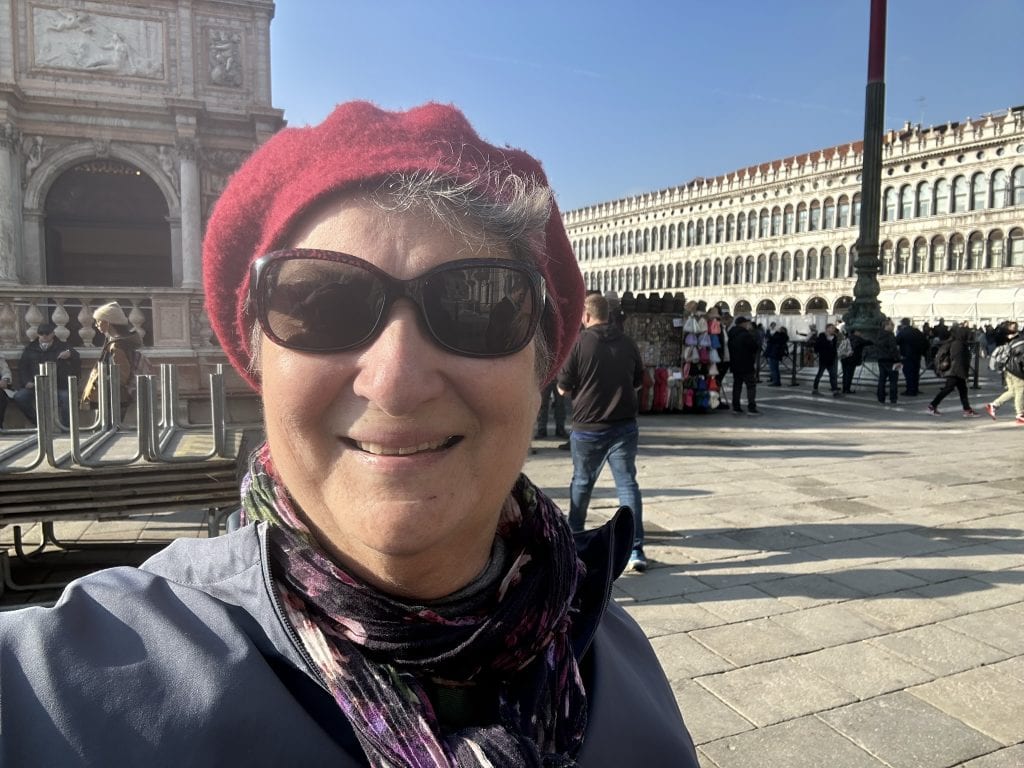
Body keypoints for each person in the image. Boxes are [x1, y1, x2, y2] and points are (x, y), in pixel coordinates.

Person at [0, 101, 697, 766]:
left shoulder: (618, 655)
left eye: (476, 306)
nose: (395, 380)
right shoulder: (66, 684)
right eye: (321, 304)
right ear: (258, 362)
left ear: (543, 364)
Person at [558, 293, 646, 573]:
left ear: (586, 316)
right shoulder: (628, 342)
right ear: (608, 314)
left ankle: (573, 539)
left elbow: (563, 387)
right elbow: (638, 382)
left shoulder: (580, 343)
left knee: (582, 483)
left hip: (588, 428)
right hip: (623, 425)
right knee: (627, 485)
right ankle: (635, 548)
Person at [11, 321, 81, 426]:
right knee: (20, 397)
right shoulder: (30, 348)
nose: (44, 336)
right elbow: (23, 367)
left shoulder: (62, 346)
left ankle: (66, 427)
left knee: (67, 398)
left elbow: (76, 357)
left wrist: (70, 354)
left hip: (58, 386)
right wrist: (26, 382)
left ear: (52, 334)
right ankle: (39, 423)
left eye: (47, 333)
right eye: (41, 333)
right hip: (35, 386)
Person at [81, 302, 143, 410]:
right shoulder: (115, 341)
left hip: (112, 399)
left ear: (108, 323)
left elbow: (120, 376)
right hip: (112, 398)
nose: (96, 325)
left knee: (109, 426)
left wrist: (101, 381)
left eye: (98, 321)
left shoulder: (117, 345)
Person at [927, 324, 979, 417]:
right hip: (955, 372)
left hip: (955, 371)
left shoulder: (955, 342)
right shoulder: (959, 344)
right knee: (949, 389)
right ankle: (932, 405)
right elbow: (959, 361)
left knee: (962, 390)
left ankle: (967, 409)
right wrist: (964, 375)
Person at [984, 321, 1024, 425]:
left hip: (1007, 368)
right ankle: (1020, 415)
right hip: (1016, 369)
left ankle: (993, 405)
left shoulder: (1005, 338)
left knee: (1012, 391)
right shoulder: (1020, 340)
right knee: (1020, 390)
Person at [727, 315, 759, 415]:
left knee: (737, 385)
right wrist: (751, 333)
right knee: (751, 386)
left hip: (735, 364)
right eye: (746, 323)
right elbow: (755, 347)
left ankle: (736, 407)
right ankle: (751, 407)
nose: (747, 324)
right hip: (747, 364)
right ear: (743, 324)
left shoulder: (731, 334)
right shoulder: (746, 335)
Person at [871, 319, 903, 406]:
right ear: (886, 326)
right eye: (891, 325)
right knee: (893, 380)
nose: (893, 327)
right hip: (891, 360)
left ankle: (881, 398)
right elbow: (893, 349)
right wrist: (898, 359)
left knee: (882, 379)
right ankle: (893, 398)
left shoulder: (879, 335)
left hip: (881, 359)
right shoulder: (890, 335)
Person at [896, 317, 928, 396]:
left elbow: (896, 341)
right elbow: (925, 342)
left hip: (907, 356)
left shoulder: (902, 332)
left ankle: (910, 390)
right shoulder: (916, 331)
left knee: (908, 373)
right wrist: (921, 351)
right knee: (915, 373)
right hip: (917, 355)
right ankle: (915, 389)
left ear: (902, 324)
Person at [840, 328, 873, 394]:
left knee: (845, 374)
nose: (860, 333)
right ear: (856, 332)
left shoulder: (846, 338)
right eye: (859, 332)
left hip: (844, 358)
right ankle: (847, 389)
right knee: (849, 375)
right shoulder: (858, 338)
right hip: (852, 359)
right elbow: (868, 342)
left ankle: (844, 388)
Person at [811, 323, 841, 396]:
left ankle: (835, 391)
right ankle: (815, 389)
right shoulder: (822, 336)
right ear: (827, 328)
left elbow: (834, 347)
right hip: (823, 358)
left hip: (831, 359)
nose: (833, 329)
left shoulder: (834, 337)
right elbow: (818, 346)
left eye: (833, 328)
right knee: (820, 374)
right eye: (832, 328)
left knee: (833, 375)